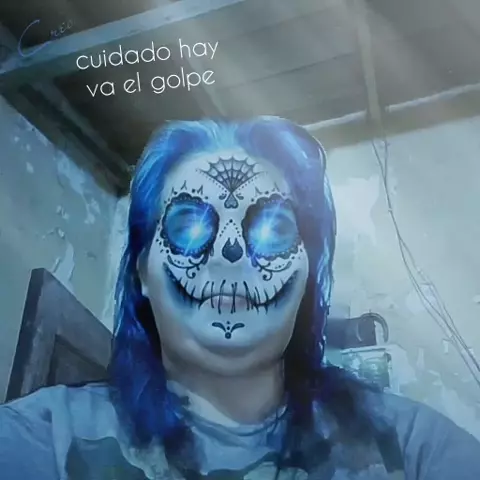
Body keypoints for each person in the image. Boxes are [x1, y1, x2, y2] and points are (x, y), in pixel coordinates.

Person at [1, 117, 479, 479]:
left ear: (307, 273)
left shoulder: (412, 449)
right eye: (189, 225)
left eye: (272, 229)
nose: (229, 254)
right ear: (143, 271)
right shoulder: (45, 439)